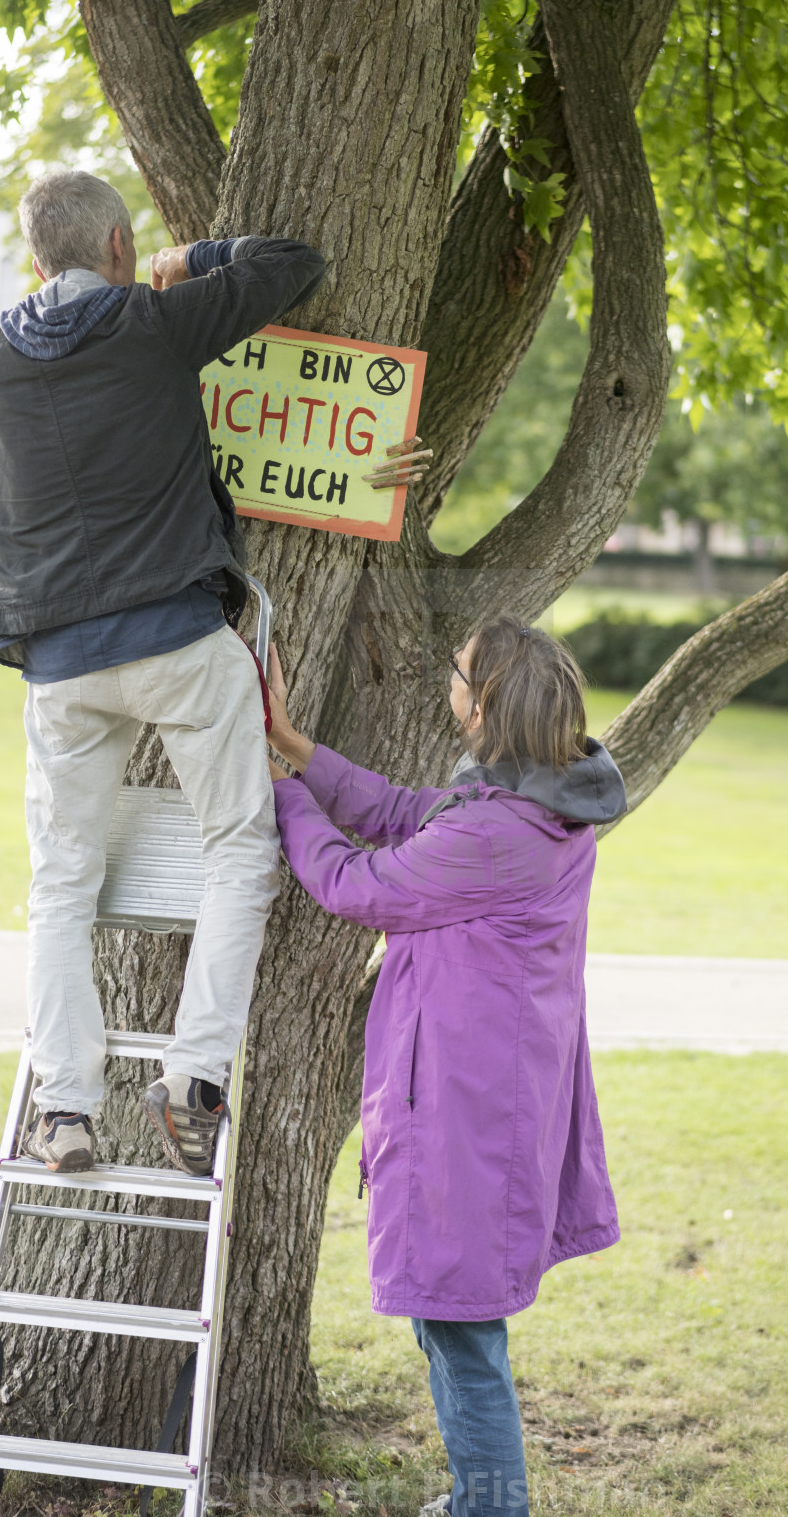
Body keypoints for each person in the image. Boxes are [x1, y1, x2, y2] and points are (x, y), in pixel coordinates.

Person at [0, 168, 330, 1177]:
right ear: (121, 248)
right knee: (238, 850)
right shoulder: (150, 322)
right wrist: (188, 264)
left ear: (36, 262)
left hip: (61, 664)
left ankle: (67, 1110)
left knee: (62, 882)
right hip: (174, 641)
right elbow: (291, 265)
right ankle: (192, 1079)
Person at [264, 617, 626, 1517]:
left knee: (461, 1329)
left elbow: (357, 883)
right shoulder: (530, 803)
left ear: (484, 704)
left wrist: (279, 793)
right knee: (454, 1315)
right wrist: (295, 745)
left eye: (459, 673)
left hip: (469, 1112)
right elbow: (399, 810)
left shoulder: (499, 837)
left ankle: (490, 1509)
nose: (448, 682)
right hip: (487, 1095)